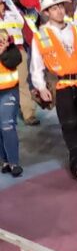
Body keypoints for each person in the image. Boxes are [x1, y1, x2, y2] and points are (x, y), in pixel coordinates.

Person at [32, 0, 77, 180]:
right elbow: (36, 64)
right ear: (47, 12)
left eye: (60, 6)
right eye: (53, 8)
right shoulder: (41, 35)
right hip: (61, 85)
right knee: (69, 123)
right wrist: (41, 87)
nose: (58, 11)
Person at [0, 0, 36, 125]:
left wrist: (10, 1)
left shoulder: (13, 14)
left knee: (22, 84)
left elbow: (22, 22)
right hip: (2, 54)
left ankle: (28, 114)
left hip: (19, 52)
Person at [0, 29, 23, 177]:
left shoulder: (7, 41)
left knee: (7, 126)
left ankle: (14, 162)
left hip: (8, 91)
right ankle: (5, 161)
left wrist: (2, 52)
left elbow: (16, 59)